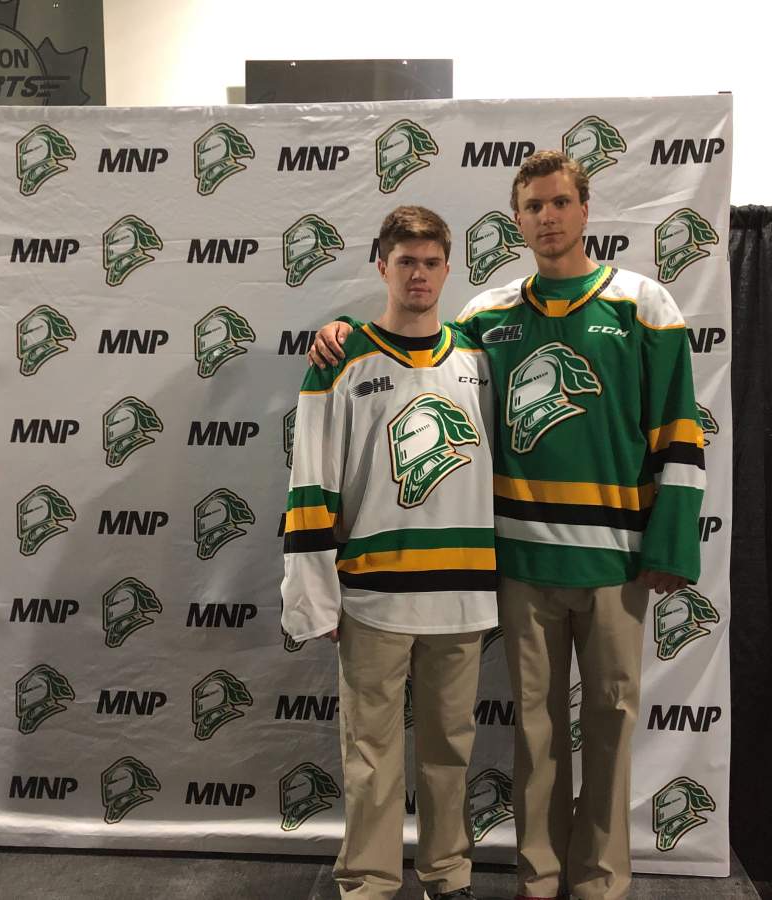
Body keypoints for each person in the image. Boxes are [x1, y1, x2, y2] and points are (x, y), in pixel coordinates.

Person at [308, 151, 706, 900]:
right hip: (520, 561)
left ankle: (601, 880)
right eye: (533, 206)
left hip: (617, 560)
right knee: (535, 729)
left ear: (585, 210)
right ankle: (540, 875)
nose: (548, 217)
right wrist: (341, 332)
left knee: (613, 721)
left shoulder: (644, 304)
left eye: (560, 202)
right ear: (516, 220)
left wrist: (673, 544)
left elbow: (679, 431)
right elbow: (417, 353)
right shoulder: (485, 318)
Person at [282, 205, 496, 900]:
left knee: (449, 750)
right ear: (381, 265)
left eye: (431, 262)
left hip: (462, 593)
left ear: (449, 268)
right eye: (406, 261)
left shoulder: (479, 358)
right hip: (374, 592)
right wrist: (315, 593)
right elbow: (311, 478)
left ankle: (447, 874)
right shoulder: (341, 360)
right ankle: (370, 882)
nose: (419, 275)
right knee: (370, 755)